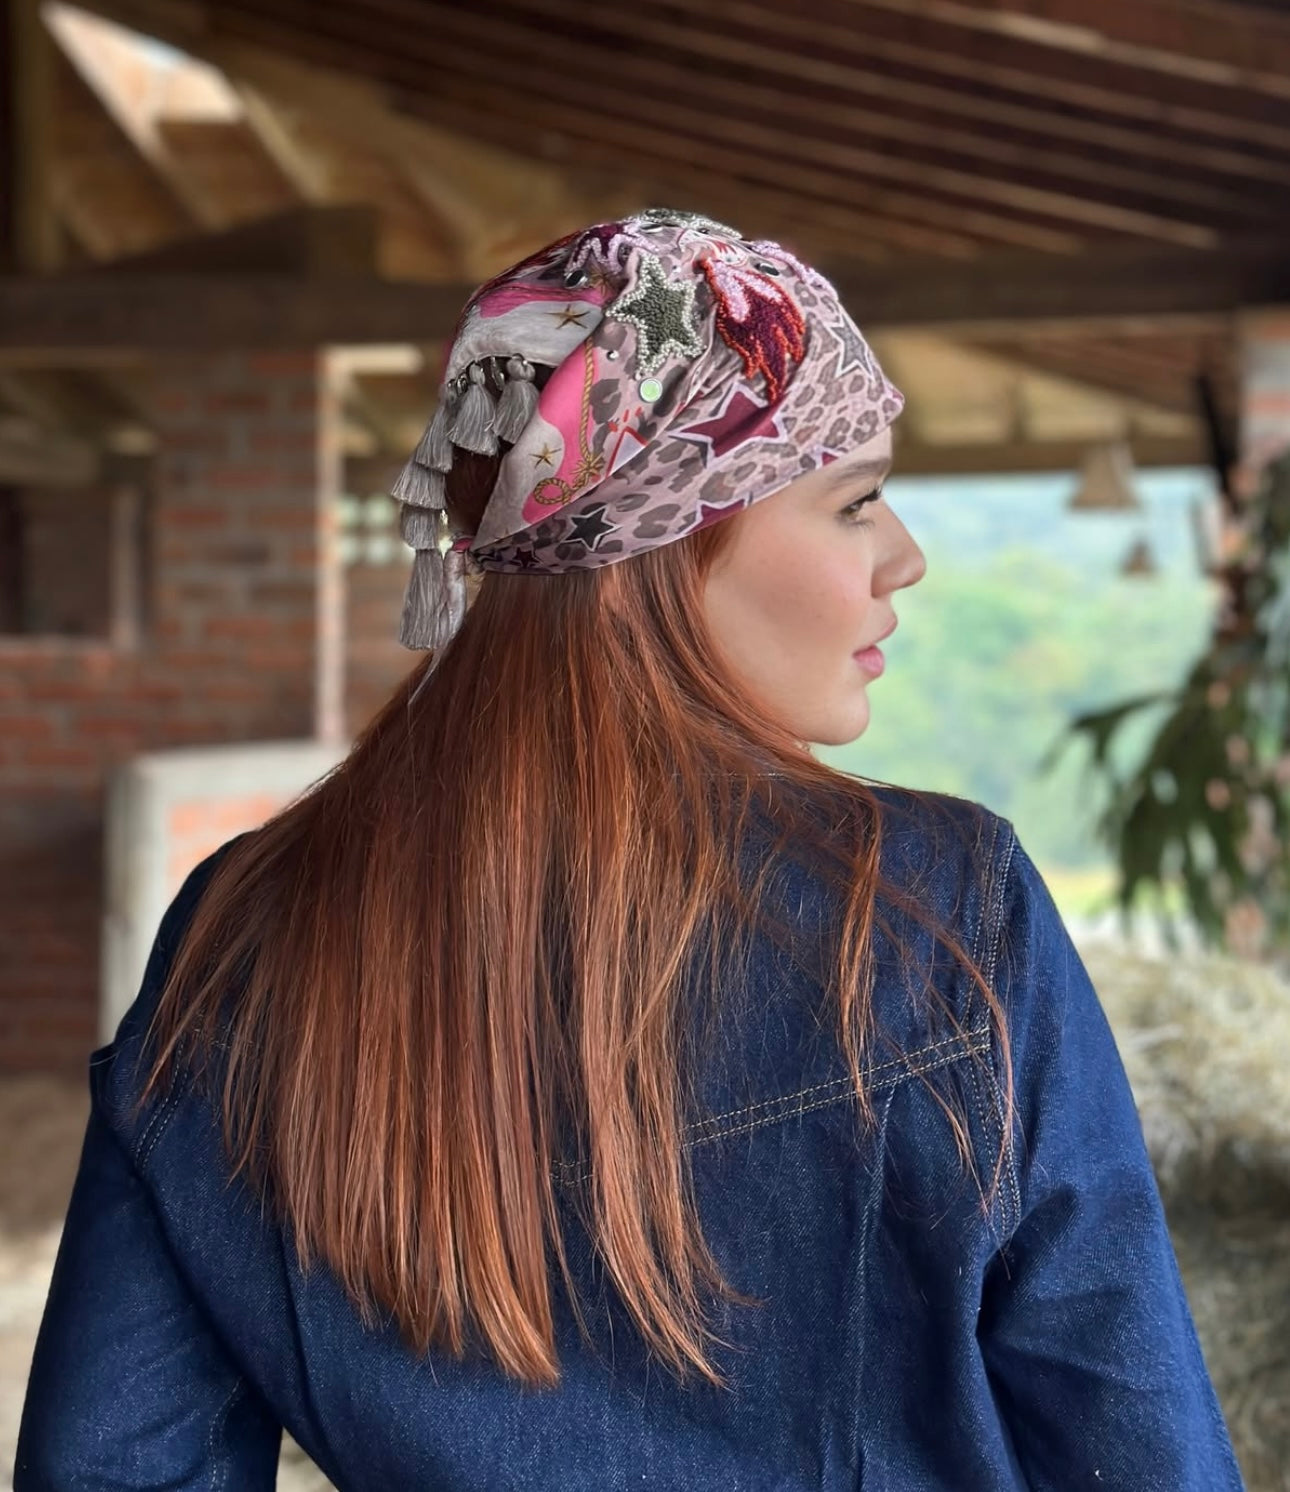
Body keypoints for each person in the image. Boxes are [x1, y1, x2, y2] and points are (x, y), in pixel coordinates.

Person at [16, 208, 1245, 1491]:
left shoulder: (240, 938)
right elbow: (1135, 1442)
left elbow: (111, 1467)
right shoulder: (938, 908)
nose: (906, 559)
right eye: (858, 501)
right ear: (663, 542)